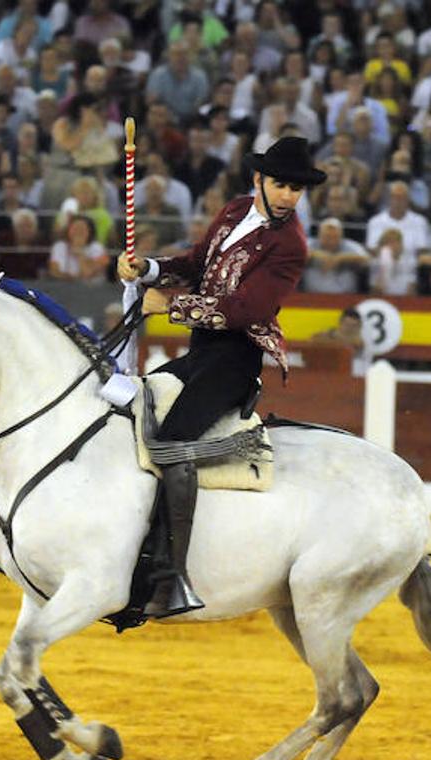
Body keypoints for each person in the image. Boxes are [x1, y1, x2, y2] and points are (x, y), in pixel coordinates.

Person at [115, 136, 325, 618]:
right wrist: (147, 269)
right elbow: (194, 264)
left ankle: (173, 575)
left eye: (297, 188)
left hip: (236, 358)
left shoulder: (290, 245)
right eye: (281, 184)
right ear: (259, 180)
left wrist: (169, 306)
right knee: (132, 416)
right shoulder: (233, 212)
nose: (289, 196)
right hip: (200, 352)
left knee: (171, 440)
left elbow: (243, 310)